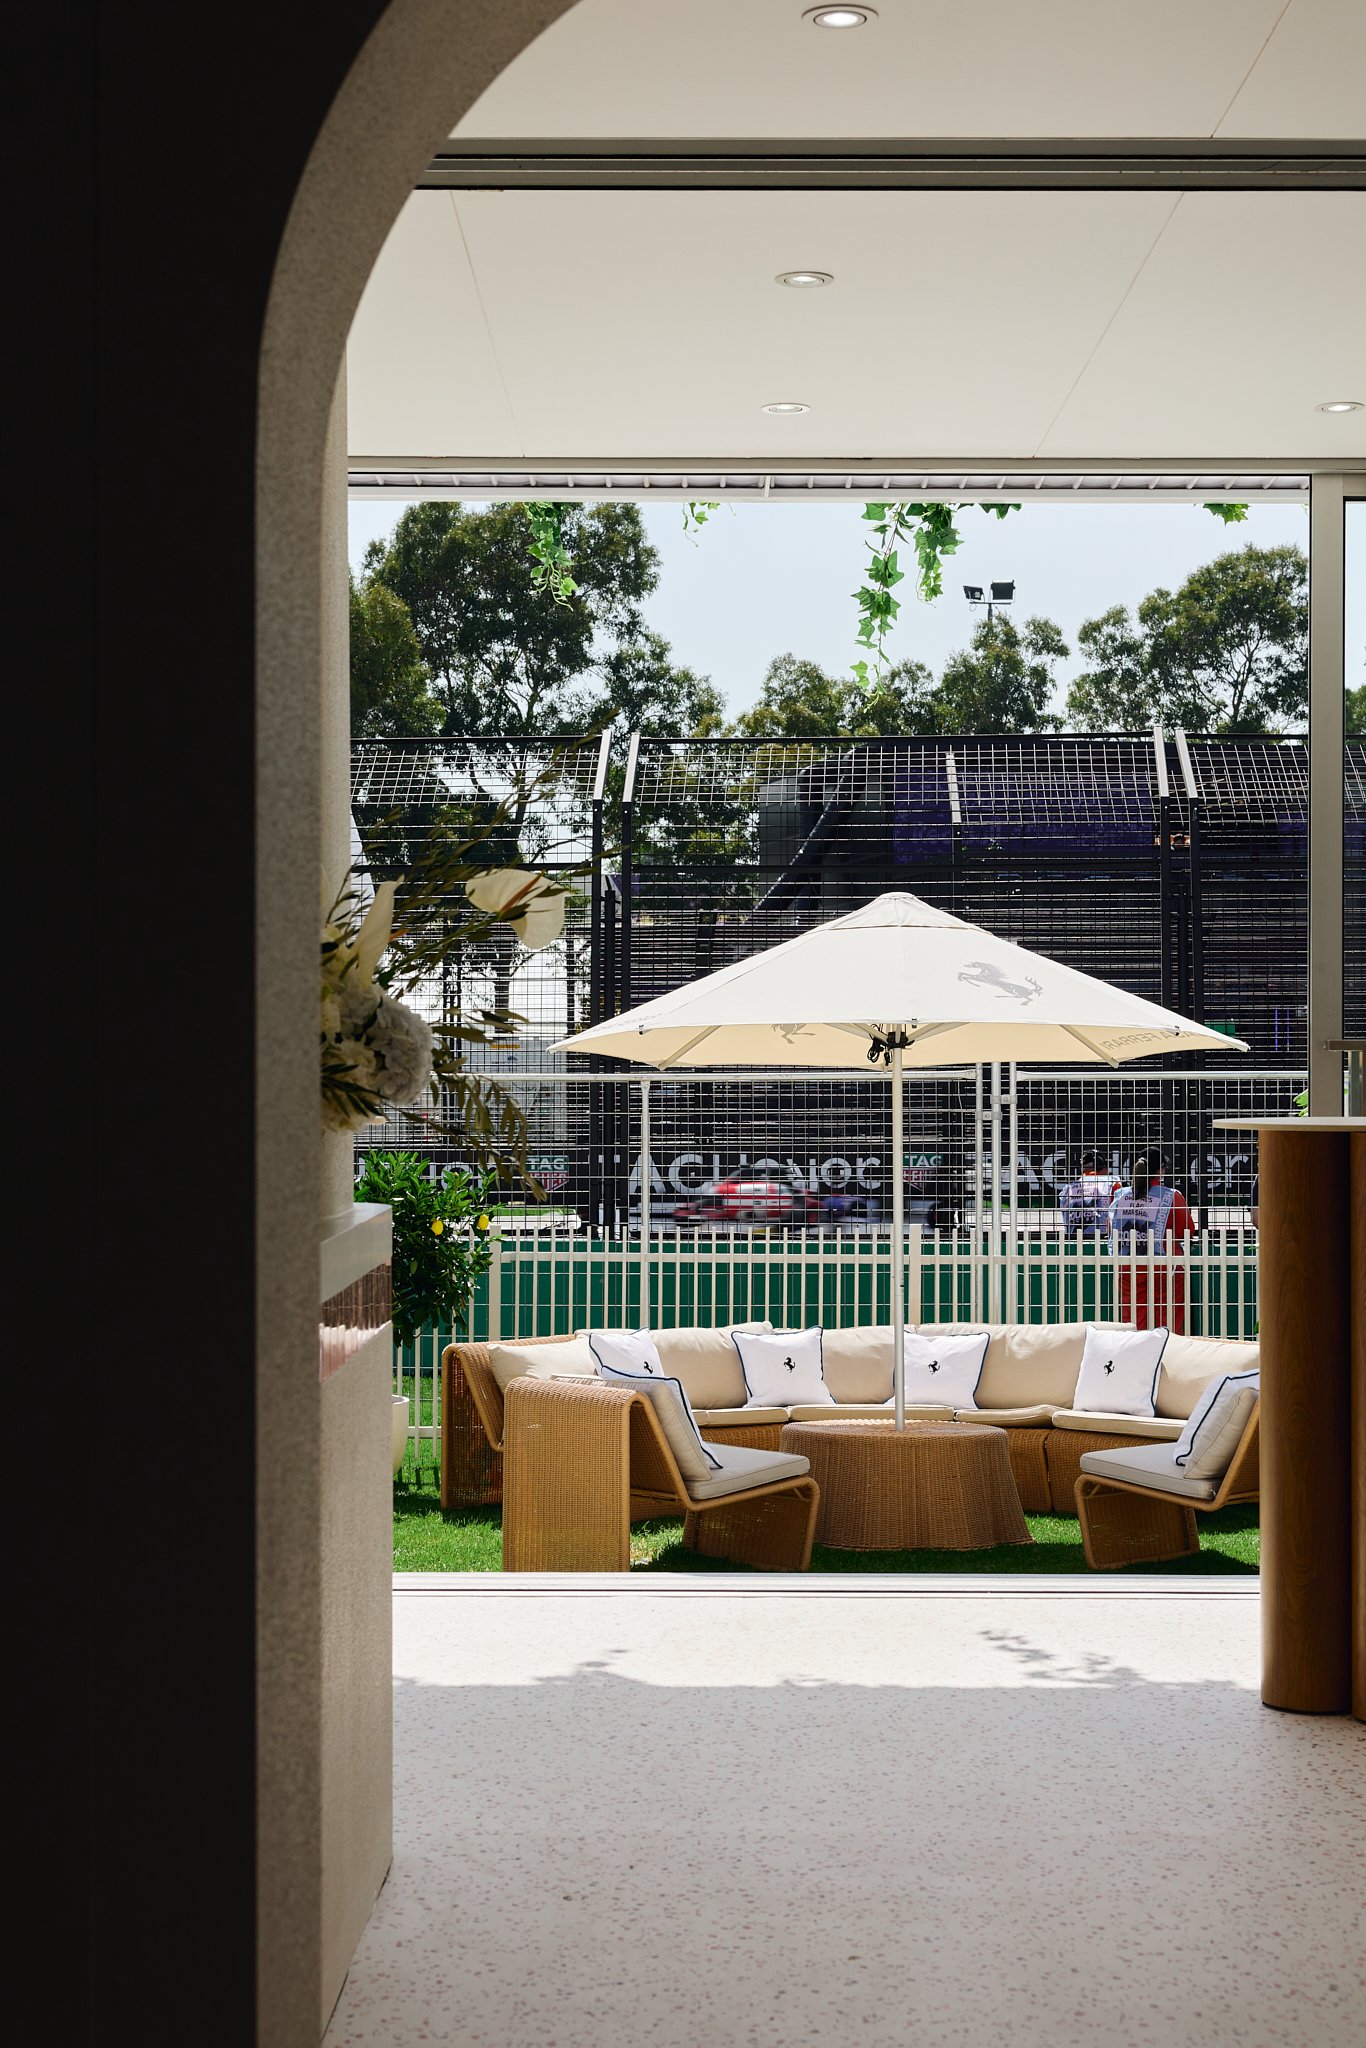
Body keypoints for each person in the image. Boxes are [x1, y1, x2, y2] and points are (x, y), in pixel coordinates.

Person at [1109, 1152, 1192, 1332]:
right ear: (1160, 1170)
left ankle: (1135, 1354)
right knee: (1167, 1320)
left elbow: (1111, 1227)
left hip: (1127, 1264)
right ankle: (1167, 1353)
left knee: (1132, 1320)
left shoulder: (1119, 1195)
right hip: (1164, 1265)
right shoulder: (1171, 1196)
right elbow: (1187, 1230)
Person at [1059, 1151, 1118, 1237]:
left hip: (1072, 1242)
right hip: (1102, 1241)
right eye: (1106, 1166)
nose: (1108, 1170)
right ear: (1099, 1166)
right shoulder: (1111, 1184)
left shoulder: (1067, 1190)